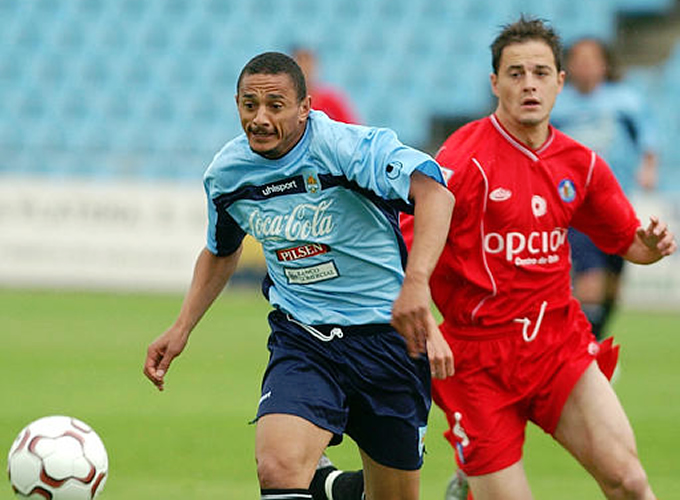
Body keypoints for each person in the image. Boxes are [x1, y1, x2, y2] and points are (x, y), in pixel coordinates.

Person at [314, 17, 676, 500]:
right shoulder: (462, 161)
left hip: (558, 347)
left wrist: (647, 250)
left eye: (542, 73)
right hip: (478, 363)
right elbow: (403, 248)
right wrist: (429, 325)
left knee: (630, 481)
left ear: (560, 82)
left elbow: (627, 241)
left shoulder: (580, 163)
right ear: (495, 83)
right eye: (516, 72)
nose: (530, 84)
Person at [143, 51, 455, 500]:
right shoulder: (228, 175)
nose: (260, 118)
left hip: (387, 339)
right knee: (278, 466)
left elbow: (436, 193)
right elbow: (220, 251)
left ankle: (335, 489)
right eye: (249, 105)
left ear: (305, 107)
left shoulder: (348, 149)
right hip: (305, 339)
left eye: (275, 105)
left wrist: (417, 282)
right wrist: (181, 327)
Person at [551, 37, 659, 339]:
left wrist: (648, 169)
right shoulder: (559, 104)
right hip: (574, 206)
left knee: (612, 281)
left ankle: (595, 339)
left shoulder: (626, 100)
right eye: (579, 60)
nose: (585, 66)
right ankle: (588, 348)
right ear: (568, 66)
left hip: (616, 202)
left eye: (592, 59)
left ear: (605, 64)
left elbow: (649, 141)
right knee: (591, 277)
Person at [292, 46, 361, 124]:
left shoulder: (331, 100)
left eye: (308, 62)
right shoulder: (287, 101)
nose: (304, 67)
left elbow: (351, 127)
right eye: (300, 61)